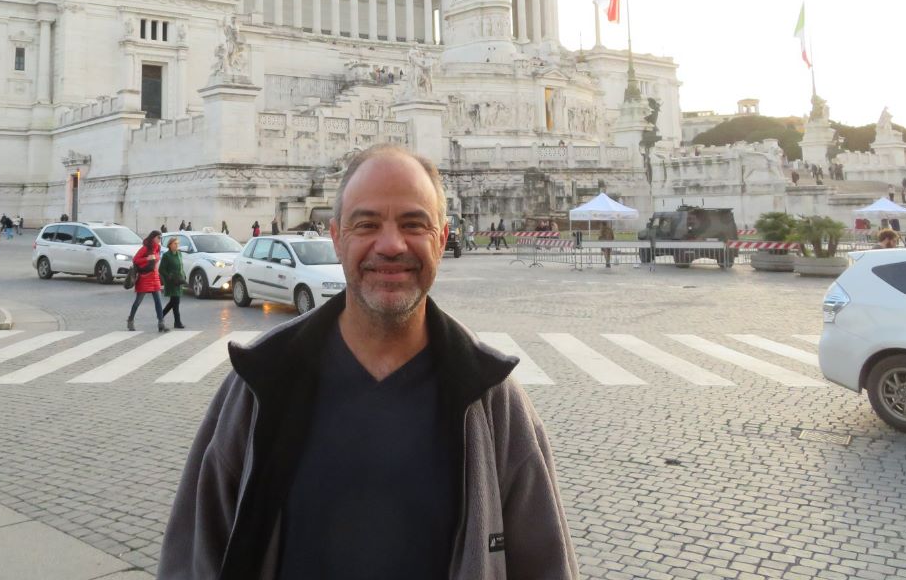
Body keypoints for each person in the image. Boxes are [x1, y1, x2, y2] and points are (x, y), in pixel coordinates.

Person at [159, 144, 578, 579]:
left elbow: (545, 563)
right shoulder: (258, 385)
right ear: (337, 237)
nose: (392, 245)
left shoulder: (494, 402)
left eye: (414, 223)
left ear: (441, 238)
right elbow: (193, 557)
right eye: (367, 224)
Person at [128, 230, 166, 332]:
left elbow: (157, 258)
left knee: (158, 301)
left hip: (154, 277)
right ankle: (130, 320)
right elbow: (135, 260)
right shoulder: (145, 248)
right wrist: (147, 259)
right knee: (138, 301)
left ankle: (161, 323)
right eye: (158, 237)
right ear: (153, 237)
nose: (159, 240)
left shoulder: (157, 248)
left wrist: (155, 257)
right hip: (144, 278)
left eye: (160, 238)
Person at [159, 236, 186, 329]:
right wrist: (168, 276)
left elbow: (181, 266)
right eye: (175, 243)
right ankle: (177, 322)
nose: (177, 245)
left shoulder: (179, 254)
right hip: (171, 282)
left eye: (178, 243)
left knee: (173, 302)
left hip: (178, 281)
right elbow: (161, 269)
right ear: (170, 245)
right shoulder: (166, 256)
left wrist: (184, 275)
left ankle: (161, 316)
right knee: (175, 302)